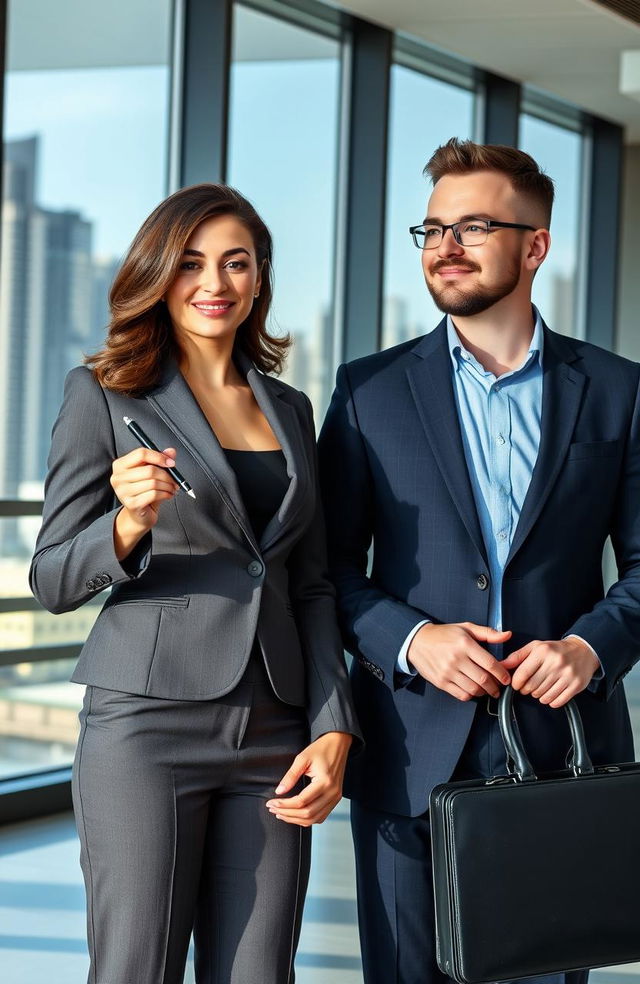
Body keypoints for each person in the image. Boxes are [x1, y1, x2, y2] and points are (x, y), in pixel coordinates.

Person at [318, 138, 640, 984]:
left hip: (560, 752)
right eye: (431, 228)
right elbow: (325, 568)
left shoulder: (617, 390)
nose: (444, 246)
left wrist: (591, 647)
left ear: (535, 246)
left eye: (473, 226)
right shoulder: (367, 391)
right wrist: (410, 639)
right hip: (407, 751)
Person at [30, 182, 360, 984]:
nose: (215, 283)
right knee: (136, 968)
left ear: (259, 278)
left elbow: (309, 583)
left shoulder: (290, 406)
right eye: (191, 263)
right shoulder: (104, 392)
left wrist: (333, 722)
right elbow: (50, 577)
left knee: (257, 974)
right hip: (146, 729)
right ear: (158, 274)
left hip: (276, 729)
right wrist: (127, 524)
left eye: (236, 263)